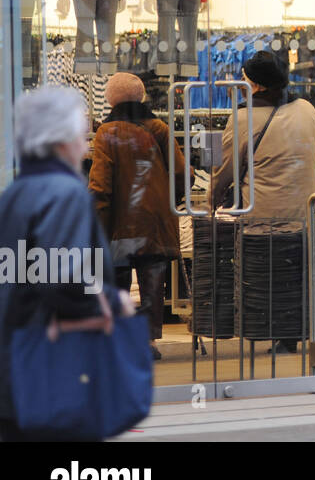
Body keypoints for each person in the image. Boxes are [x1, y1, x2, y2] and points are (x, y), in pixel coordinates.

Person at [0, 88, 136, 441]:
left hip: (16, 363)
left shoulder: (15, 194)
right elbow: (63, 277)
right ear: (61, 139)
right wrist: (111, 299)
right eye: (80, 134)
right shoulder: (64, 192)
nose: (85, 144)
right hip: (55, 368)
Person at [210, 50, 315, 354]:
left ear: (257, 85)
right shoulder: (306, 109)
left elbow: (223, 171)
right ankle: (292, 333)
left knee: (266, 278)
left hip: (261, 216)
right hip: (301, 213)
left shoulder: (241, 118)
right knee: (296, 276)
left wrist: (209, 202)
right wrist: (308, 187)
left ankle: (272, 330)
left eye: (245, 79)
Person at [88, 72, 185, 360]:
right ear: (141, 96)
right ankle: (148, 341)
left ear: (109, 99)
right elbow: (180, 172)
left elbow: (100, 184)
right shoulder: (159, 128)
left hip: (119, 222)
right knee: (153, 281)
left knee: (117, 281)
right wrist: (171, 202)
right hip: (154, 220)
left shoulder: (107, 132)